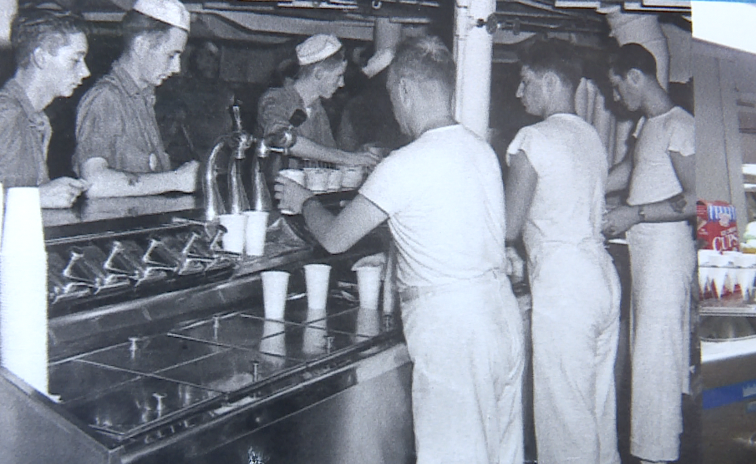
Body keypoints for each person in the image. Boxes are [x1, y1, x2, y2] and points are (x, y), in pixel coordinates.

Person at [275, 36, 524, 464]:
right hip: (498, 316)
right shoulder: (480, 150)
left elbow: (335, 238)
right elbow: (448, 228)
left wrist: (304, 201)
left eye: (393, 96)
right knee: (498, 453)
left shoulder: (408, 163)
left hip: (452, 331)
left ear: (406, 90)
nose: (394, 109)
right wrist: (394, 257)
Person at [504, 40, 621, 464]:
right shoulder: (589, 135)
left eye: (525, 82)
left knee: (564, 419)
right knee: (596, 408)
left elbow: (509, 225)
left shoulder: (532, 138)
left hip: (566, 286)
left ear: (550, 82)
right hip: (602, 278)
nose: (519, 93)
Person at [603, 43, 696, 464]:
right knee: (649, 352)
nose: (615, 98)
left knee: (655, 357)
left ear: (636, 77)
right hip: (645, 253)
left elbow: (696, 200)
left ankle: (654, 454)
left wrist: (634, 214)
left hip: (665, 252)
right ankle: (659, 444)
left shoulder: (681, 125)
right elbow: (630, 171)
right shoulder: (649, 125)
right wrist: (589, 185)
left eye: (618, 87)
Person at [73, 0, 199, 198]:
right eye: (171, 55)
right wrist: (176, 179)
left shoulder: (142, 99)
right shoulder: (107, 99)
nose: (177, 68)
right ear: (141, 45)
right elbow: (93, 183)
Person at [0, 7, 90, 208]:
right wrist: (39, 197)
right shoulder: (6, 115)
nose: (85, 72)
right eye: (75, 60)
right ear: (40, 57)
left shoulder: (36, 120)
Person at [257, 34, 381, 168]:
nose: (341, 84)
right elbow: (284, 139)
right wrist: (347, 158)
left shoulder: (318, 109)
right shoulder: (275, 99)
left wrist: (360, 156)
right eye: (338, 76)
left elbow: (329, 156)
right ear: (319, 73)